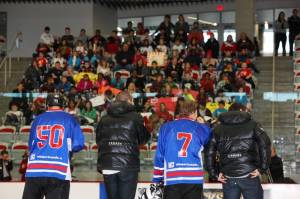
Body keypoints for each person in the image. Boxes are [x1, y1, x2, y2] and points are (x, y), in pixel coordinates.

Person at [22, 93, 85, 199]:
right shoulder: (70, 119)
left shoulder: (38, 119)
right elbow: (78, 145)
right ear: (63, 104)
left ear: (47, 104)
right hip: (58, 169)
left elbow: (31, 144)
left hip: (35, 170)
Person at [205, 103, 271, 199]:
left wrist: (213, 173)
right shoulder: (253, 125)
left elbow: (209, 152)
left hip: (228, 176)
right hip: (249, 174)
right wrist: (262, 168)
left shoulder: (217, 129)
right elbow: (265, 144)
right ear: (241, 110)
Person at [96, 91, 150, 199]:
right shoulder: (136, 117)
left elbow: (99, 140)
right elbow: (143, 139)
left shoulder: (104, 118)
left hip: (108, 164)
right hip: (128, 164)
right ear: (130, 101)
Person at [153, 101, 211, 199]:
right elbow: (209, 140)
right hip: (194, 177)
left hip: (172, 177)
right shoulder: (199, 127)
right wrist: (204, 125)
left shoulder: (166, 127)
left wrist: (157, 178)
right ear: (193, 113)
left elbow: (159, 155)